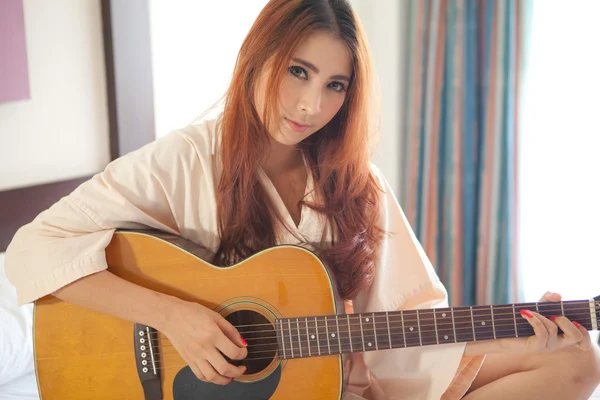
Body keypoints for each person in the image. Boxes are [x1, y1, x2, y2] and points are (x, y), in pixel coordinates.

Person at [5, 0, 600, 399]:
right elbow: (32, 249)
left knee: (576, 365)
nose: (311, 105)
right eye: (298, 71)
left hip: (340, 377)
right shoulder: (185, 159)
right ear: (259, 58)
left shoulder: (354, 180)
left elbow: (406, 320)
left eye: (334, 85)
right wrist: (173, 316)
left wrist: (520, 329)